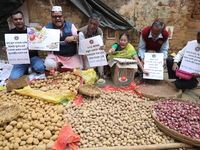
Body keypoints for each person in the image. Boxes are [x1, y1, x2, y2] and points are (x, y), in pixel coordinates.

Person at [2, 10, 45, 80]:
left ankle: (35, 67)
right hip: (20, 60)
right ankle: (25, 70)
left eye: (20, 19)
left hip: (33, 57)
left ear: (24, 19)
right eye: (16, 19)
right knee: (14, 78)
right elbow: (6, 47)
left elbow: (41, 42)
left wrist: (40, 30)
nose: (18, 21)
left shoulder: (32, 31)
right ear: (12, 21)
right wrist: (5, 49)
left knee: (40, 68)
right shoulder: (10, 34)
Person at [43, 6, 81, 70]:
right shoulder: (47, 28)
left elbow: (79, 37)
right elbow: (39, 39)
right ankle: (58, 66)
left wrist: (73, 37)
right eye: (54, 17)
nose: (57, 19)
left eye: (60, 16)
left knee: (78, 69)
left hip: (71, 56)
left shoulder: (70, 25)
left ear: (63, 17)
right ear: (51, 18)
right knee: (48, 64)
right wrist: (37, 30)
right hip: (56, 56)